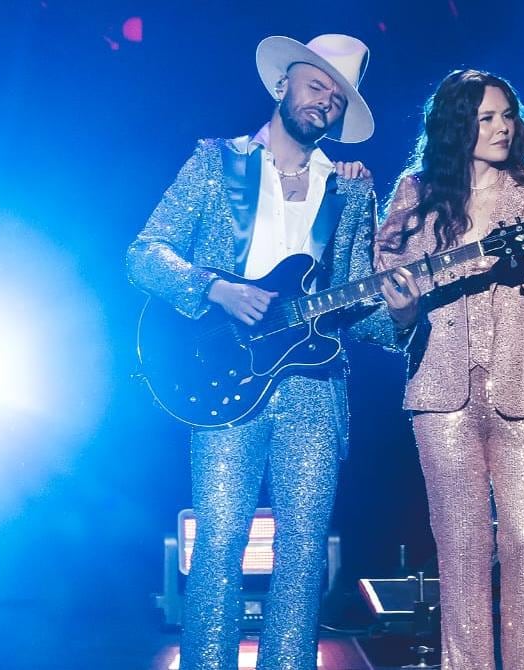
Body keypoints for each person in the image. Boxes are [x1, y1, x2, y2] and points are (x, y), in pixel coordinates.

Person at [126, 34, 417, 669]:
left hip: (314, 385)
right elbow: (145, 255)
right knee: (219, 544)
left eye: (337, 97)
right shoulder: (215, 163)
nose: (325, 102)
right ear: (283, 83)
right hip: (223, 376)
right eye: (317, 85)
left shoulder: (351, 191)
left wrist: (399, 313)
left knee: (304, 552)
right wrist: (215, 288)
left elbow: (355, 311)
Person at [375, 69, 524, 670]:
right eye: (485, 118)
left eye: (507, 116)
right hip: (440, 393)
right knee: (462, 546)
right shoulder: (416, 196)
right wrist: (401, 310)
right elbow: (389, 301)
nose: (501, 128)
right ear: (454, 127)